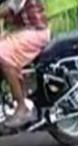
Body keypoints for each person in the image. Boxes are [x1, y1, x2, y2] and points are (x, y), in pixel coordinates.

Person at [0, 0, 49, 128]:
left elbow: (9, 9)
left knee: (2, 54)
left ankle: (22, 107)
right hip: (20, 32)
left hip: (36, 32)